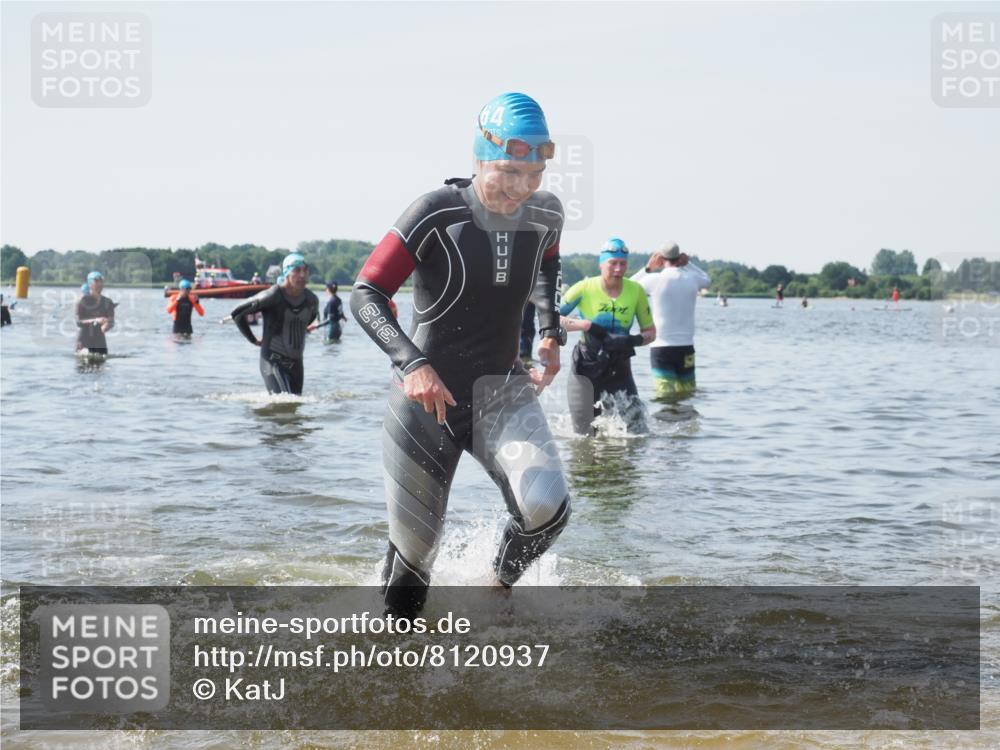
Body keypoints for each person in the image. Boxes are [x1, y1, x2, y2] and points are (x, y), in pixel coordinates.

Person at [350, 91, 571, 618]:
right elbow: (366, 294)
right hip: (425, 404)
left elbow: (548, 269)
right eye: (509, 172)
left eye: (533, 174)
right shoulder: (435, 211)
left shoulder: (547, 214)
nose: (521, 187)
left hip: (501, 391)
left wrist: (549, 330)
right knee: (416, 555)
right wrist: (412, 364)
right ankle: (391, 673)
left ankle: (496, 587)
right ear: (479, 157)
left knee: (546, 509)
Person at [560, 238, 655, 434]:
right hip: (587, 364)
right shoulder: (584, 287)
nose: (618, 269)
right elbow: (551, 318)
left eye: (623, 264)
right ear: (601, 263)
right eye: (613, 263)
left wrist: (634, 340)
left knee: (637, 431)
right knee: (583, 435)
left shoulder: (636, 291)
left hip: (619, 367)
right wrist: (585, 325)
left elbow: (651, 333)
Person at [230, 252, 319, 395]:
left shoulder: (312, 300)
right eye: (297, 271)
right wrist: (252, 339)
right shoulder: (273, 295)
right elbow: (237, 313)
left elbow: (307, 321)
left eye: (305, 270)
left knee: (295, 408)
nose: (302, 275)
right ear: (287, 273)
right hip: (273, 362)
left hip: (297, 365)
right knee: (284, 404)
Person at [632, 242, 711, 399]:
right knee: (688, 393)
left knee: (664, 396)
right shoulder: (692, 278)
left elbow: (626, 285)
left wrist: (648, 268)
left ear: (660, 258)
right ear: (680, 257)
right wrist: (688, 264)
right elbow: (707, 280)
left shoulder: (654, 279)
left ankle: (666, 423)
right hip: (686, 347)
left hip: (661, 348)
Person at [75, 271, 115, 354]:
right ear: (90, 283)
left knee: (102, 364)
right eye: (96, 281)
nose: (99, 284)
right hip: (84, 340)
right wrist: (96, 320)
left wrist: (107, 325)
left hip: (100, 341)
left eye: (101, 281)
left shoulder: (108, 302)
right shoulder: (82, 301)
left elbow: (111, 321)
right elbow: (78, 322)